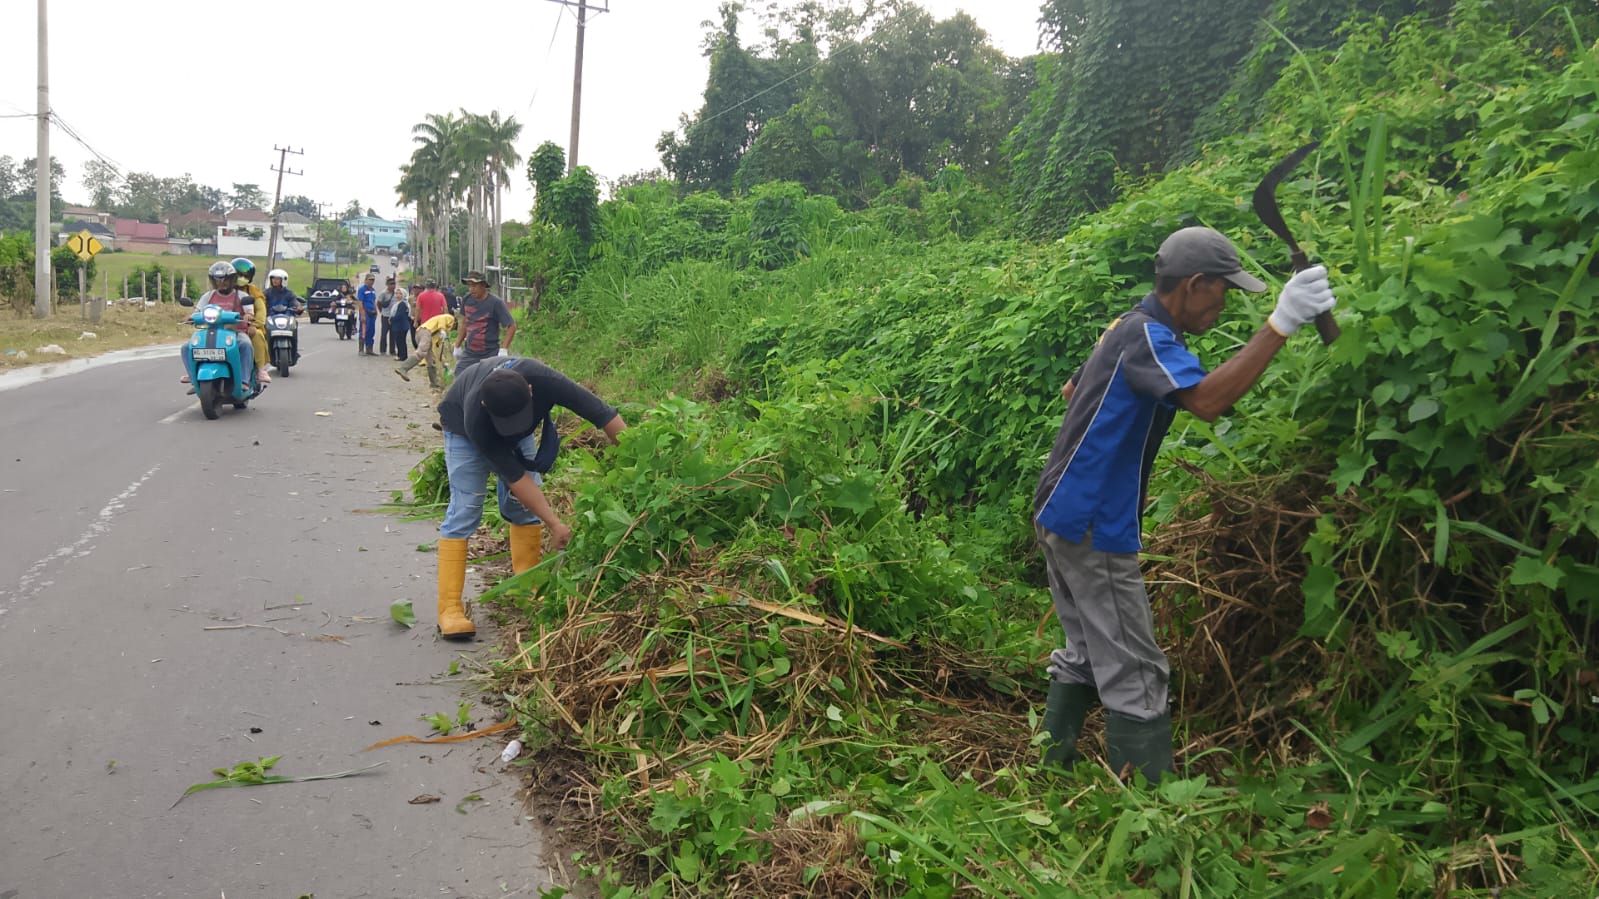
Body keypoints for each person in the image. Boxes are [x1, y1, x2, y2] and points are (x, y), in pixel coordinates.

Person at [1031, 226, 1336, 783]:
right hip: (1095, 518)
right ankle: (1147, 809)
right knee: (1136, 666)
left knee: (1083, 647)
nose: (1223, 305)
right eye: (1223, 291)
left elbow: (1073, 393)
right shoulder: (1148, 336)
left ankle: (1053, 770)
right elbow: (1208, 401)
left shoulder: (1123, 328)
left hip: (1059, 505)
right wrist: (1281, 322)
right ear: (1195, 285)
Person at [433, 359, 627, 638]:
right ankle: (449, 608)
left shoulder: (545, 379)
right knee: (466, 508)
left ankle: (527, 587)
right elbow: (516, 478)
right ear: (488, 408)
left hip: (507, 409)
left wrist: (636, 458)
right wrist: (554, 523)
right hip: (461, 430)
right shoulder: (476, 417)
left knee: (522, 510)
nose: (513, 428)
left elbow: (604, 415)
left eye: (518, 420)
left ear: (532, 391)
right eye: (508, 424)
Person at [181, 260, 258, 388]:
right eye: (217, 280)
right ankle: (193, 377)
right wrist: (190, 317)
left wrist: (248, 316)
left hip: (235, 332)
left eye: (225, 280)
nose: (221, 283)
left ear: (232, 280)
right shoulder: (208, 296)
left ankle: (244, 380)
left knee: (245, 344)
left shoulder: (241, 295)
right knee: (186, 348)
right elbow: (197, 311)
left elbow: (250, 312)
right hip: (210, 332)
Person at [453, 271, 516, 371]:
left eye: (474, 286)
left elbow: (511, 326)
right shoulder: (467, 300)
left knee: (488, 383)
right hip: (470, 353)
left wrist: (503, 349)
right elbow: (464, 324)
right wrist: (457, 345)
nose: (471, 289)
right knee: (460, 378)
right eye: (469, 286)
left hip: (489, 353)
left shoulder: (495, 303)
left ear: (483, 285)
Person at [230, 257, 272, 383]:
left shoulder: (253, 292)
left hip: (247, 327)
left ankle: (260, 370)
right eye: (238, 275)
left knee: (257, 335)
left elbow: (260, 312)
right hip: (224, 327)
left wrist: (254, 325)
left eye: (245, 275)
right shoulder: (223, 289)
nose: (241, 278)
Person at [396, 312, 453, 388]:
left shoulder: (439, 331)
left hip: (423, 334)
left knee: (431, 359)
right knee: (421, 352)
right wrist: (443, 329)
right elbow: (442, 319)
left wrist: (443, 362)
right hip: (425, 332)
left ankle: (434, 383)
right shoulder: (449, 318)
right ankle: (403, 368)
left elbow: (436, 348)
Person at [262, 268, 304, 360]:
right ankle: (264, 350)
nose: (274, 281)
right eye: (273, 278)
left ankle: (294, 350)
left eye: (277, 279)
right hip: (271, 316)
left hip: (287, 317)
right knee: (263, 328)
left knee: (294, 325)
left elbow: (295, 301)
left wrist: (298, 307)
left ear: (283, 280)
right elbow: (260, 302)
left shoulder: (289, 293)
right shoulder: (266, 293)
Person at [357, 272, 379, 355]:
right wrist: (362, 315)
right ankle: (361, 349)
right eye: (370, 280)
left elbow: (373, 301)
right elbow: (360, 302)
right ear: (366, 280)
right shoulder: (362, 289)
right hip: (365, 312)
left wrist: (376, 311)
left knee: (371, 331)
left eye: (373, 280)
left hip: (372, 313)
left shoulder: (372, 290)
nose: (371, 281)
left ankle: (369, 349)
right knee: (364, 330)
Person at [389, 287, 413, 362]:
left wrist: (391, 319)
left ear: (404, 295)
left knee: (400, 341)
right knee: (399, 340)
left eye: (400, 294)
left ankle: (402, 356)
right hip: (399, 325)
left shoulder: (402, 304)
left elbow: (399, 315)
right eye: (396, 293)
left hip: (401, 326)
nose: (398, 295)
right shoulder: (398, 304)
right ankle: (401, 355)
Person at [378, 275, 400, 354]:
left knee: (393, 334)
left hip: (393, 317)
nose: (392, 285)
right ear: (387, 284)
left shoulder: (397, 293)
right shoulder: (383, 293)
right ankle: (383, 350)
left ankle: (392, 350)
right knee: (384, 334)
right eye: (391, 284)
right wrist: (381, 311)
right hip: (385, 316)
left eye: (394, 284)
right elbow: (379, 303)